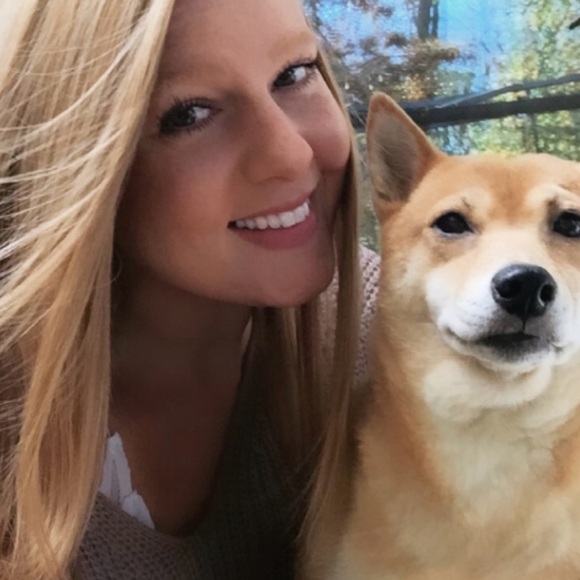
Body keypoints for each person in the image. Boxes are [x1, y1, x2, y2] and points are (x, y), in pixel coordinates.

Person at [0, 0, 380, 578]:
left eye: (293, 74)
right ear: (75, 165)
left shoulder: (413, 334)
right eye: (189, 114)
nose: (291, 153)